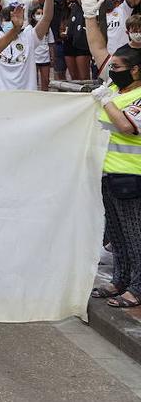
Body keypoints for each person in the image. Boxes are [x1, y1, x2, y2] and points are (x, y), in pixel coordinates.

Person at [90, 45, 141, 308]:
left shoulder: (138, 96)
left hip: (131, 175)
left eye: (117, 67)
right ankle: (120, 280)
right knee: (116, 234)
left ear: (135, 70)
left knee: (135, 235)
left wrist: (106, 101)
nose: (112, 72)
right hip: (107, 172)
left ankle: (138, 287)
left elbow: (126, 126)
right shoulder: (114, 92)